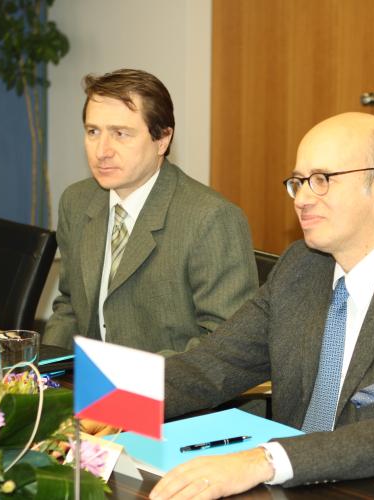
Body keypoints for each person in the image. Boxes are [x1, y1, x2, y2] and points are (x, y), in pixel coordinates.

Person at [149, 112, 374, 499]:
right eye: (298, 182)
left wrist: (262, 460)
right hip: (304, 482)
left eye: (322, 180)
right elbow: (213, 364)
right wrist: (110, 399)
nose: (302, 199)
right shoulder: (300, 267)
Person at [43, 69, 258, 355]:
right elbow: (70, 305)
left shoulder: (211, 218)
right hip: (89, 376)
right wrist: (42, 370)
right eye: (93, 132)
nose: (102, 151)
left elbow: (226, 344)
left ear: (162, 140)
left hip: (171, 381)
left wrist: (136, 376)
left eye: (120, 134)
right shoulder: (77, 201)